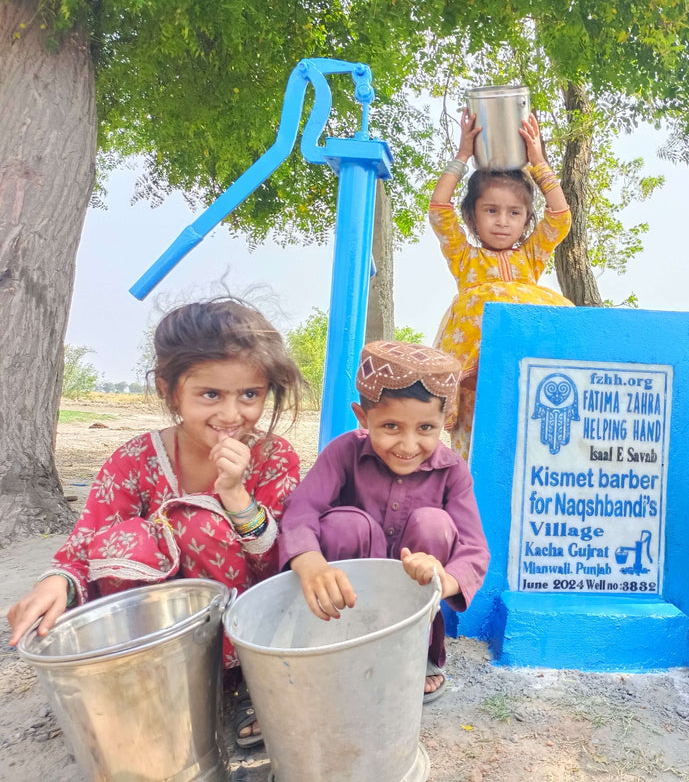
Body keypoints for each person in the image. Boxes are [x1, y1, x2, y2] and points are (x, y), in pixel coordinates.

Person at [7, 296, 304, 749]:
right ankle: (147, 674)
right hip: (162, 636)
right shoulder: (134, 460)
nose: (231, 415)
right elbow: (89, 538)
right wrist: (56, 582)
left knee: (201, 525)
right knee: (123, 540)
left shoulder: (273, 458)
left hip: (248, 629)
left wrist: (236, 497)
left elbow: (277, 568)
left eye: (250, 394)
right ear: (169, 390)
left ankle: (246, 680)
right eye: (210, 395)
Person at [278, 340, 490, 703]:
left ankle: (412, 654)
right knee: (346, 525)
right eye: (391, 426)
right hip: (347, 598)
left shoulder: (453, 471)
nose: (408, 444)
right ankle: (336, 649)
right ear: (363, 417)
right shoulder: (344, 451)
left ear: (445, 421)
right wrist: (310, 563)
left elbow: (474, 549)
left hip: (410, 603)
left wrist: (443, 578)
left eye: (426, 428)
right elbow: (301, 510)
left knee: (433, 523)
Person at [430, 108, 573, 458]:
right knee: (472, 449)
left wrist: (538, 161)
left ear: (526, 220)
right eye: (491, 210)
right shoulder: (466, 260)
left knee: (518, 447)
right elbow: (438, 209)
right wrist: (463, 155)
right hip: (473, 379)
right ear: (472, 215)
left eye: (514, 213)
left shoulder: (530, 257)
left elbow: (560, 217)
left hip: (519, 369)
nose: (502, 222)